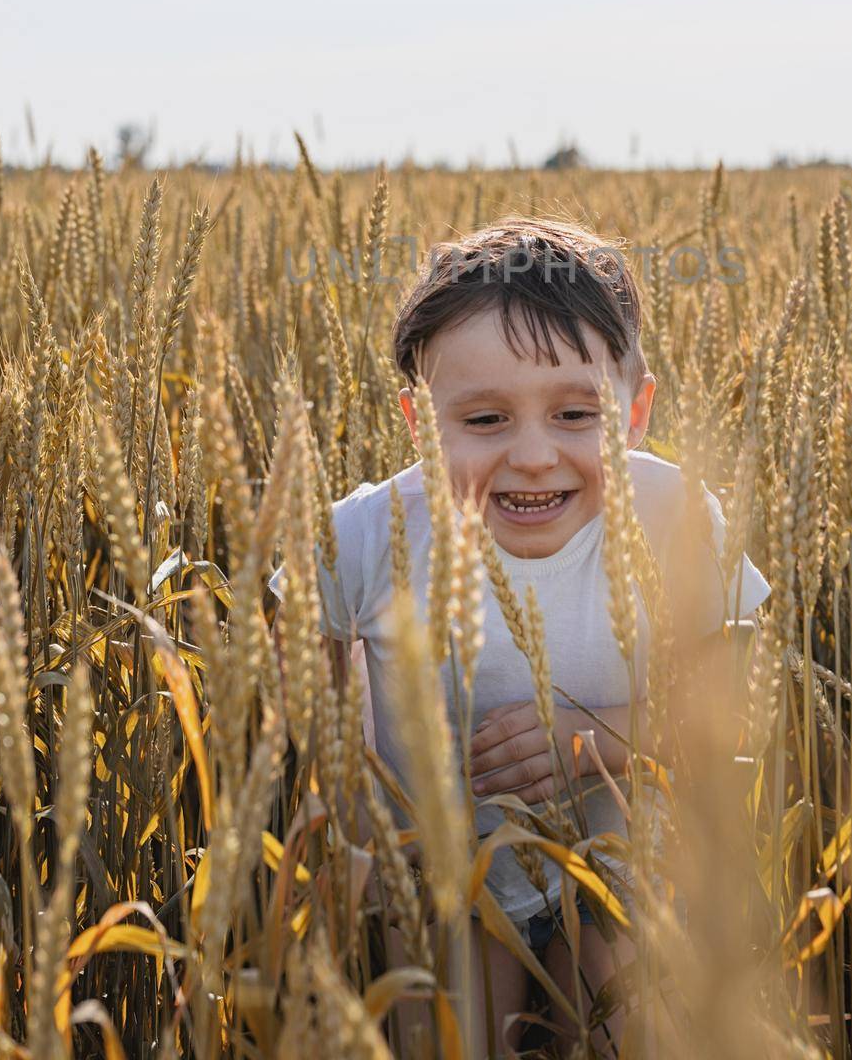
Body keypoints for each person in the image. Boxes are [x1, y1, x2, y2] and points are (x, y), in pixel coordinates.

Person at [268, 215, 770, 1055]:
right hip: (438, 875)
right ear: (420, 423)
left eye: (577, 414)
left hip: (619, 868)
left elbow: (730, 708)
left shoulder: (675, 517)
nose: (534, 455)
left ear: (636, 411)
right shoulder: (369, 534)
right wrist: (357, 816)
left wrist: (590, 735)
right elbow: (298, 677)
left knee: (622, 1017)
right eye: (485, 421)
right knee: (459, 1029)